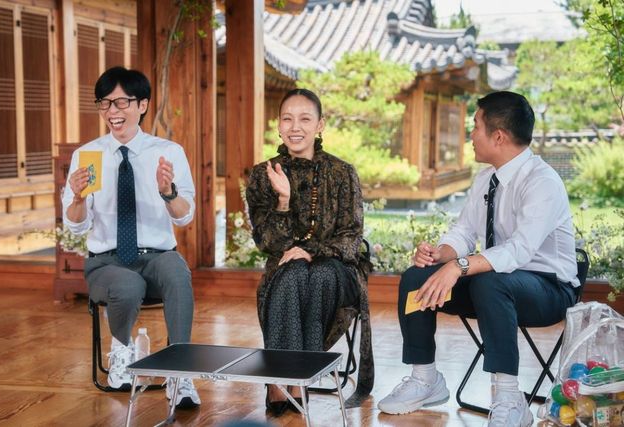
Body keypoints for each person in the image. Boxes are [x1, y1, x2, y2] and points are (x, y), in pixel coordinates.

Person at [378, 91, 579, 427]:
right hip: (493, 287)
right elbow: (464, 232)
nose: (470, 135)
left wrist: (458, 267)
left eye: (475, 126)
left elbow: (519, 250)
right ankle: (425, 378)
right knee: (417, 277)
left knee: (491, 282)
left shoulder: (542, 181)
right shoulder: (486, 178)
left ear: (498, 136)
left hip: (549, 290)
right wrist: (441, 254)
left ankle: (509, 397)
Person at [62, 66, 199, 408]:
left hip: (156, 257)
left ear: (142, 105)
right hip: (106, 263)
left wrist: (168, 193)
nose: (112, 111)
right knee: (126, 284)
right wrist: (77, 199)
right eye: (105, 103)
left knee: (177, 271)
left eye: (121, 102)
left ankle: (179, 372)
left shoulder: (168, 152)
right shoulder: (88, 156)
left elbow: (185, 216)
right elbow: (76, 226)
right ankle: (121, 352)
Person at [246, 88, 374, 416]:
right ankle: (286, 379)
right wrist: (284, 200)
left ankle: (291, 379)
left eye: (305, 119)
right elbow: (268, 243)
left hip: (338, 268)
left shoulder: (342, 172)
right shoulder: (262, 175)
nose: (295, 127)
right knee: (292, 274)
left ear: (320, 125)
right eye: (287, 119)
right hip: (286, 267)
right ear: (278, 125)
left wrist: (311, 250)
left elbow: (351, 237)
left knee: (316, 273)